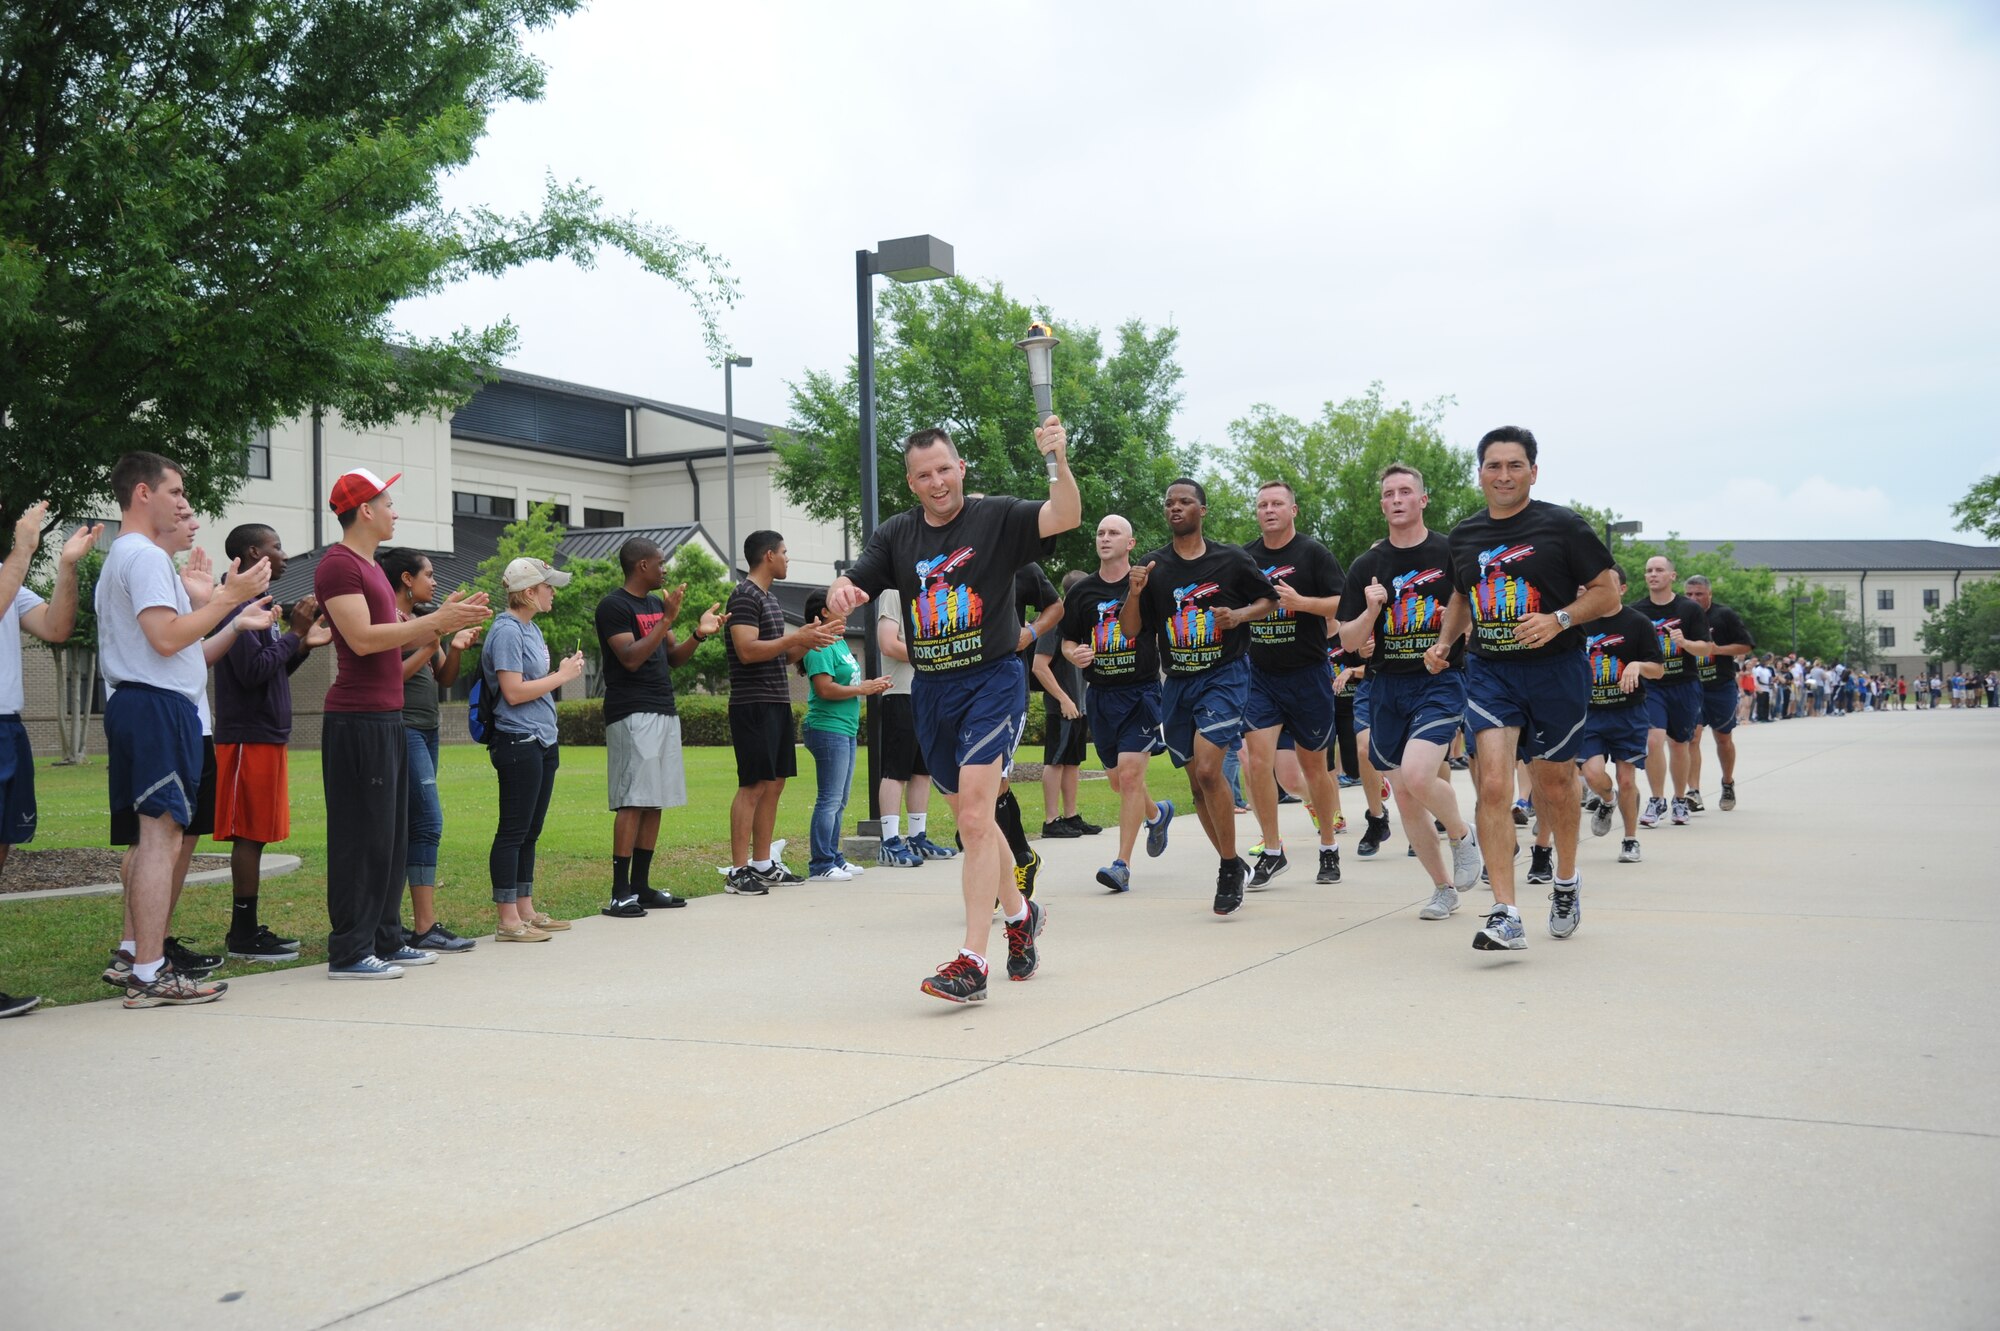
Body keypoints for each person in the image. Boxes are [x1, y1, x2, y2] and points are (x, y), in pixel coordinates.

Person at [826, 418, 1078, 1003]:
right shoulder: (897, 534)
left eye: (945, 469)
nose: (937, 482)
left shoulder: (998, 518)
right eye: (923, 475)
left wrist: (1057, 461)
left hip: (992, 682)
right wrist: (843, 588)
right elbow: (860, 577)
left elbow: (1063, 516)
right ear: (911, 483)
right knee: (977, 820)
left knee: (971, 817)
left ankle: (972, 962)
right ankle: (1022, 915)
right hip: (932, 692)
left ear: (961, 467)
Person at [1428, 427, 1620, 951]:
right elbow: (1461, 598)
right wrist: (1445, 643)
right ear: (1481, 473)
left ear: (1533, 471)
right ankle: (1506, 913)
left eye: (1515, 465)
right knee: (1492, 785)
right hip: (1491, 674)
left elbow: (1609, 595)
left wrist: (1559, 618)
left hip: (1556, 671)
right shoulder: (1464, 535)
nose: (1504, 475)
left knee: (1555, 786)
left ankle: (1565, 881)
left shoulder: (1562, 526)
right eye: (1494, 465)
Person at [97, 453, 270, 1005]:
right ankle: (150, 972)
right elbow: (167, 639)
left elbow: (182, 647)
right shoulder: (143, 558)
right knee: (160, 839)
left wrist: (223, 610)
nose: (183, 504)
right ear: (143, 493)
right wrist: (225, 598)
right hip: (155, 708)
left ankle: (136, 958)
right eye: (176, 493)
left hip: (147, 704)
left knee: (159, 837)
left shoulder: (135, 558)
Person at [316, 467, 488, 978]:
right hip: (357, 721)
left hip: (388, 717)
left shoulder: (369, 569)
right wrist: (435, 624)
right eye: (388, 503)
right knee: (361, 836)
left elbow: (392, 654)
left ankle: (386, 940)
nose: (395, 511)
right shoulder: (338, 566)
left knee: (391, 834)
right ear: (365, 510)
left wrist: (440, 626)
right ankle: (349, 951)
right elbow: (365, 640)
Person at [1120, 478, 1277, 917]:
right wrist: (1133, 593)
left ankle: (1229, 869)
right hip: (1179, 681)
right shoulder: (1153, 567)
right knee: (1196, 783)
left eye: (1185, 501)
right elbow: (1132, 630)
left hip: (1224, 674)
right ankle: (1230, 859)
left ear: (1202, 510)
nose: (1176, 507)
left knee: (1210, 770)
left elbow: (1269, 599)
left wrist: (1240, 614)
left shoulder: (1231, 559)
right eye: (1169, 502)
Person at [1335, 464, 1481, 921]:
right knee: (1402, 794)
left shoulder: (1449, 553)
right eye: (1388, 493)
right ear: (1382, 504)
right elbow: (1348, 642)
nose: (1397, 499)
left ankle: (1461, 834)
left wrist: (1448, 630)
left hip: (1439, 680)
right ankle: (1442, 889)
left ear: (1423, 500)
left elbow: (1478, 617)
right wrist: (1373, 608)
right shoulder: (1367, 566)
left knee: (1419, 776)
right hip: (1386, 686)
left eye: (1405, 492)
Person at [213, 524, 330, 962]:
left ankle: (247, 929)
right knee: (248, 834)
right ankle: (242, 935)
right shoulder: (234, 604)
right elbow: (250, 672)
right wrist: (294, 634)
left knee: (258, 833)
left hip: (265, 734)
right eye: (275, 547)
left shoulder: (255, 604)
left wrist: (300, 645)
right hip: (246, 737)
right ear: (252, 553)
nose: (283, 555)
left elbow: (271, 671)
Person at [0, 501, 99, 1017]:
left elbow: (57, 627)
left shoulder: (7, 576)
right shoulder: (9, 570)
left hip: (7, 729)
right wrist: (23, 550)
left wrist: (65, 567)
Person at [595, 537, 722, 916]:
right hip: (631, 712)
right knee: (633, 800)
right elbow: (631, 658)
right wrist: (667, 619)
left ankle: (641, 885)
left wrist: (698, 634)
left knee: (655, 801)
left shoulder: (653, 604)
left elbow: (673, 659)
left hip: (663, 708)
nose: (665, 569)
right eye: (661, 563)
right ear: (642, 566)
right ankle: (620, 892)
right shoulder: (613, 607)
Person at [1060, 514, 1174, 893]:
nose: (1104, 538)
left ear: (1130, 543)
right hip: (1101, 695)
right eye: (1100, 532)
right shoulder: (1081, 592)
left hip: (1140, 692)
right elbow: (1067, 640)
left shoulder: (1146, 586)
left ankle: (1121, 865)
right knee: (1116, 782)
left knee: (1128, 776)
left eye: (1113, 533)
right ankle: (1157, 814)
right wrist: (1073, 653)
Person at [1240, 480, 1345, 889]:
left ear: (1293, 510)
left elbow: (1341, 602)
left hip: (1308, 674)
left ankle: (1328, 845)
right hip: (1261, 677)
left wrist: (1302, 603)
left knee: (1314, 768)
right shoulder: (1245, 557)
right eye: (1263, 504)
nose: (1269, 510)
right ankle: (1271, 849)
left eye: (1277, 503)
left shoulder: (1313, 553)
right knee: (1257, 763)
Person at [724, 530, 839, 894]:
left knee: (774, 783)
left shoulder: (769, 599)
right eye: (785, 552)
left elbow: (781, 655)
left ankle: (762, 863)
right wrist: (794, 638)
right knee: (753, 784)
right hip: (752, 702)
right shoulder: (744, 595)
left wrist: (808, 641)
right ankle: (738, 870)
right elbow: (747, 650)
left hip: (775, 700)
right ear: (769, 555)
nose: (788, 559)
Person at [381, 547, 480, 950]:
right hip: (403, 728)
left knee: (413, 824)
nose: (435, 582)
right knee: (427, 822)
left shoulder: (421, 621)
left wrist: (451, 646)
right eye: (429, 574)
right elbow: (390, 675)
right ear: (407, 579)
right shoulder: (389, 621)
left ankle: (401, 924)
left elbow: (443, 677)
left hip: (428, 727)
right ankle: (424, 927)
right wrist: (433, 636)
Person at [481, 557, 585, 940]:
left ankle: (526, 909)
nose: (552, 593)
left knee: (530, 831)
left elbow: (533, 682)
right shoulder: (506, 631)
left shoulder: (531, 630)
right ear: (528, 593)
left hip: (542, 739)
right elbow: (512, 691)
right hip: (517, 740)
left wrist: (558, 672)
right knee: (513, 830)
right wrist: (561, 676)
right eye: (547, 587)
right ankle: (508, 919)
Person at [796, 589, 891, 881]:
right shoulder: (819, 646)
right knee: (830, 798)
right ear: (823, 613)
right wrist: (863, 689)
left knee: (840, 799)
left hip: (844, 729)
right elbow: (824, 689)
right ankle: (821, 864)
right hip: (827, 728)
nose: (846, 607)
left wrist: (869, 685)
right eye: (838, 603)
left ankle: (834, 857)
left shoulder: (838, 643)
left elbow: (845, 682)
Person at [1575, 569, 1664, 863]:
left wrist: (1637, 665)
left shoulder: (1638, 623)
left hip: (1629, 712)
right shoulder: (1580, 621)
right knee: (1592, 773)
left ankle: (1630, 839)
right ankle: (1607, 800)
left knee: (1627, 780)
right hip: (1590, 713)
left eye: (1607, 584)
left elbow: (1659, 669)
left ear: (1622, 589)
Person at [873, 588, 956, 865]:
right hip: (900, 694)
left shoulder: (927, 596)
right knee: (896, 771)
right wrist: (930, 655)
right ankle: (890, 841)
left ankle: (917, 838)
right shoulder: (893, 593)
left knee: (923, 771)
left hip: (928, 695)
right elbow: (888, 643)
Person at [1631, 555, 1713, 828]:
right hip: (1652, 686)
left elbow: (1705, 648)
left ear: (1672, 576)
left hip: (1684, 684)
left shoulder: (1689, 610)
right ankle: (1656, 799)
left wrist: (1684, 642)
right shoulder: (1637, 611)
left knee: (1679, 744)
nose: (1653, 574)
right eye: (1648, 570)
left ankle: (1679, 798)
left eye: (1659, 570)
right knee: (1653, 740)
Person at [1681, 573, 1754, 812]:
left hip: (1720, 685)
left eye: (1699, 594)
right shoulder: (1679, 616)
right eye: (1689, 594)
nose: (1693, 598)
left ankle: (1727, 782)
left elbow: (1745, 645)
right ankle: (1694, 791)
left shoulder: (1724, 615)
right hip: (1692, 685)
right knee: (1693, 737)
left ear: (1709, 594)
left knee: (1723, 738)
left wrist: (1716, 649)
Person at [1035, 569, 1097, 839]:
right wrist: (1063, 699)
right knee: (1055, 762)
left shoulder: (1078, 622)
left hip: (1078, 703)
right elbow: (1039, 666)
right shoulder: (1054, 621)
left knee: (1072, 763)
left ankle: (1071, 816)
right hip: (1062, 705)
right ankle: (1051, 820)